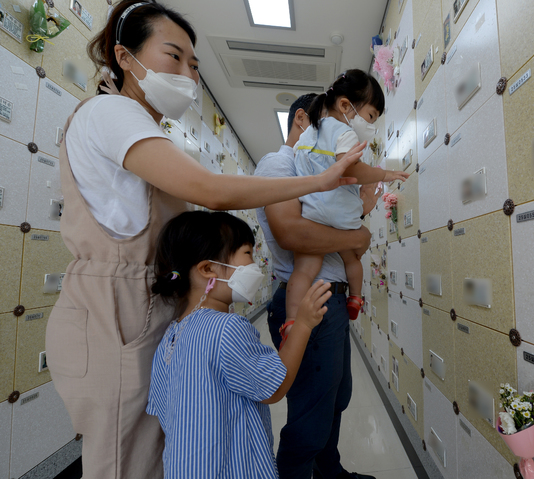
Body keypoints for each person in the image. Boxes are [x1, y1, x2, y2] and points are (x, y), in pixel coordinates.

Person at [44, 1, 365, 478]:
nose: (187, 74)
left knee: (161, 456)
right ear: (124, 57)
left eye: (193, 64)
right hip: (115, 311)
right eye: (172, 56)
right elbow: (212, 191)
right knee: (124, 462)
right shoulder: (110, 112)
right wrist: (322, 182)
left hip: (148, 302)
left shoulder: (147, 128)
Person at [145, 211, 331, 478]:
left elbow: (164, 410)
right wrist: (302, 324)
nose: (255, 265)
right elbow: (274, 387)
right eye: (247, 254)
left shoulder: (171, 335)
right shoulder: (226, 328)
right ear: (208, 269)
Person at [255, 93, 382, 479]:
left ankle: (330, 471)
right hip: (306, 301)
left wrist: (357, 218)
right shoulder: (281, 163)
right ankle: (295, 472)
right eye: (332, 125)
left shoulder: (319, 169)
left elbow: (338, 221)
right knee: (310, 417)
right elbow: (292, 232)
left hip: (333, 302)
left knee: (335, 400)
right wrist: (355, 237)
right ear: (302, 120)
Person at [283, 69, 409, 340]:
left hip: (312, 215)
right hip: (341, 218)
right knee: (351, 259)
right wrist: (385, 174)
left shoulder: (306, 136)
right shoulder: (344, 132)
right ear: (345, 105)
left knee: (303, 270)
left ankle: (292, 321)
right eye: (371, 116)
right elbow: (352, 169)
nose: (372, 125)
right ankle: (355, 298)